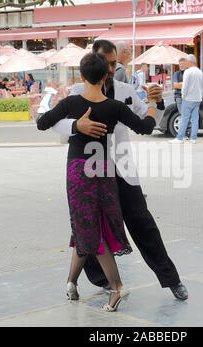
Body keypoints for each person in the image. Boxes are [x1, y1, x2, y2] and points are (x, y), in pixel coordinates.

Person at [51, 40, 188, 301]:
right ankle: (101, 279)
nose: (112, 68)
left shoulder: (126, 89)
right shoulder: (77, 90)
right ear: (95, 61)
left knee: (143, 223)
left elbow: (144, 121)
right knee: (87, 224)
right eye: (107, 62)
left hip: (123, 168)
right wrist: (76, 126)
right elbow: (53, 121)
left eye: (115, 62)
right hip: (90, 169)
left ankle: (171, 279)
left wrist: (156, 102)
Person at [37, 52, 158, 312]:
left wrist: (73, 125)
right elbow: (145, 127)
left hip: (79, 174)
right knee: (88, 226)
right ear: (106, 76)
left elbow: (42, 123)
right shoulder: (114, 107)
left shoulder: (70, 103)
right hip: (103, 171)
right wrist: (152, 106)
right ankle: (71, 282)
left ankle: (116, 288)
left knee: (90, 228)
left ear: (81, 76)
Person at [169, 54, 203, 144]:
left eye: (187, 61)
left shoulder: (188, 72)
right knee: (195, 118)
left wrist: (183, 96)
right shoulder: (200, 72)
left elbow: (185, 87)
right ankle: (194, 138)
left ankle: (180, 138)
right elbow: (202, 86)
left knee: (184, 118)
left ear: (190, 61)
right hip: (197, 98)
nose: (186, 63)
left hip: (188, 98)